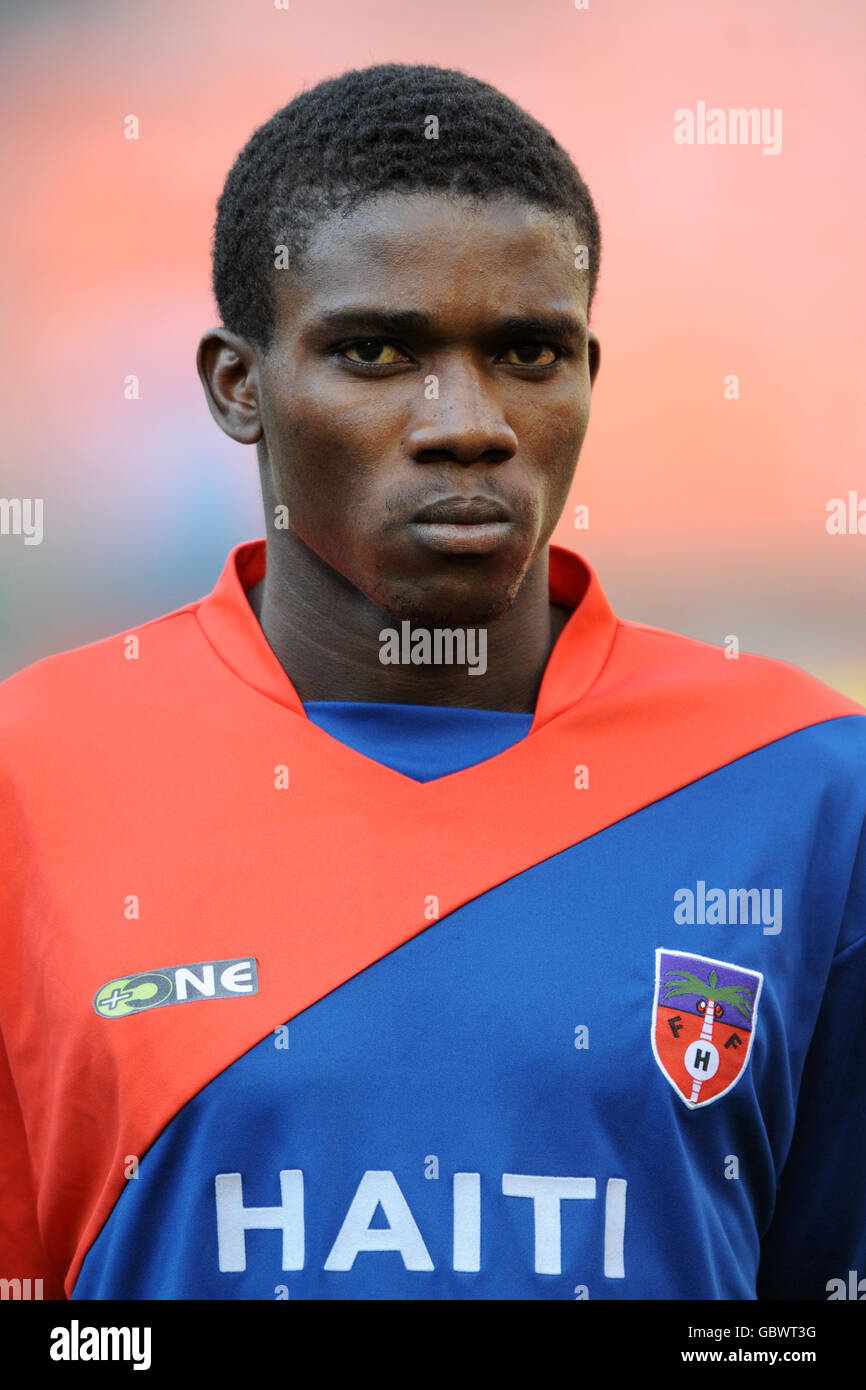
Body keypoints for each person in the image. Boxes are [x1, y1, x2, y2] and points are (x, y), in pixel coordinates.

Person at [1, 62, 863, 1303]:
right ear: (238, 386)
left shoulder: (806, 785)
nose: (467, 421)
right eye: (373, 351)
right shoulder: (34, 772)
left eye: (525, 352)